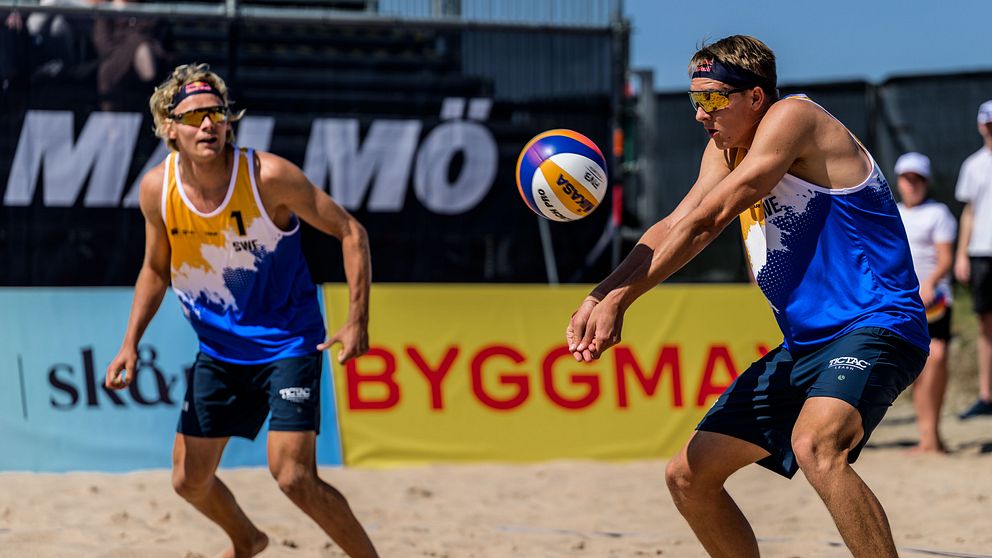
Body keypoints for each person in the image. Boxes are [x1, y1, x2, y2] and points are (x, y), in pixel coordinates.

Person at [566, 35, 928, 558]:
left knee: (817, 447)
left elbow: (712, 219)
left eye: (713, 99)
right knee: (688, 476)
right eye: (695, 101)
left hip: (876, 323)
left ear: (755, 97)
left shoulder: (793, 117)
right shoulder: (725, 147)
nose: (700, 114)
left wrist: (624, 300)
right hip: (805, 344)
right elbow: (676, 222)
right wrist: (601, 294)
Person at [104, 63, 377, 558]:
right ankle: (247, 539)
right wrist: (129, 344)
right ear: (170, 128)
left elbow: (351, 232)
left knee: (293, 477)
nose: (208, 124)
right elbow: (155, 269)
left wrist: (357, 318)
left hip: (288, 341)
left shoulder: (268, 176)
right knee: (188, 481)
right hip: (221, 350)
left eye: (217, 114)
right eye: (194, 116)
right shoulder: (156, 189)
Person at [894, 152, 957, 452]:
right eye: (908, 178)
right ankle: (928, 436)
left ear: (926, 182)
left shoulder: (939, 213)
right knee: (919, 366)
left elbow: (946, 258)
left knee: (938, 357)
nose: (912, 184)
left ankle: (932, 432)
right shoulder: (890, 213)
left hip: (935, 300)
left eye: (917, 179)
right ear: (899, 181)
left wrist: (930, 282)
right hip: (901, 301)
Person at [955, 100, 992, 420]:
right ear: (982, 126)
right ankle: (986, 394)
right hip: (981, 252)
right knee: (984, 326)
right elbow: (968, 213)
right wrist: (962, 255)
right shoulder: (973, 165)